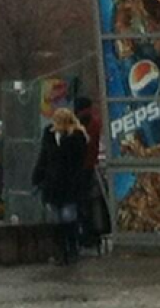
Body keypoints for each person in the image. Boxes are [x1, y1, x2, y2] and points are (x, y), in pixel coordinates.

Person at [32, 108, 88, 265]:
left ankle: (72, 249)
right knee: (57, 219)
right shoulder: (49, 135)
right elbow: (43, 158)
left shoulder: (76, 137)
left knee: (68, 217)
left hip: (69, 184)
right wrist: (37, 178)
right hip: (52, 185)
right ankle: (61, 251)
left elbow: (76, 161)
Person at [74, 97, 111, 253]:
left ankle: (86, 236)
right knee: (89, 203)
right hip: (89, 168)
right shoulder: (94, 124)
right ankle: (92, 234)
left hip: (80, 169)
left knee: (82, 205)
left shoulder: (78, 126)